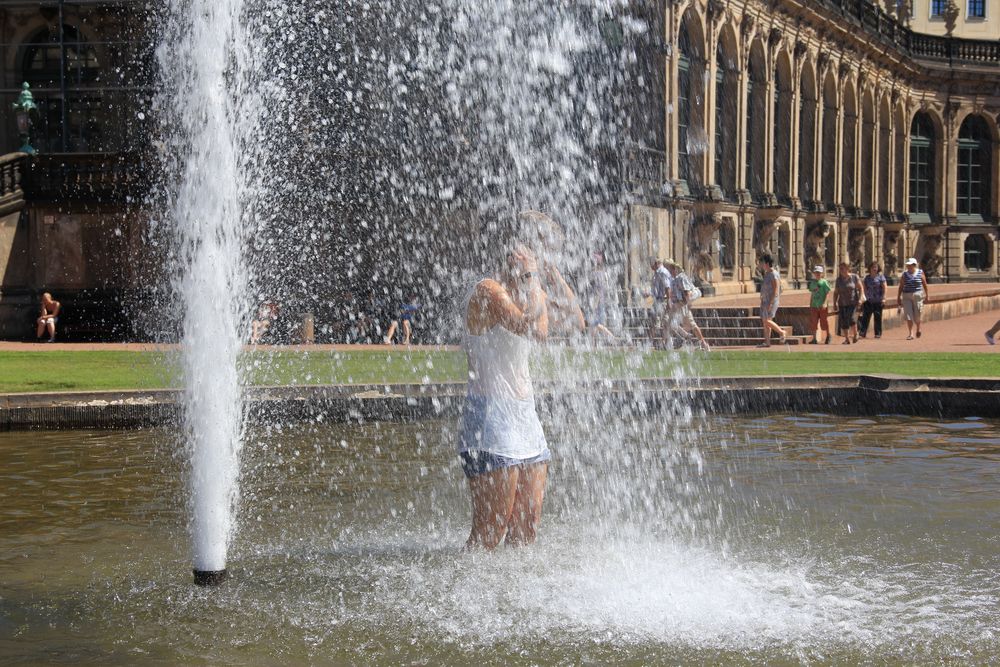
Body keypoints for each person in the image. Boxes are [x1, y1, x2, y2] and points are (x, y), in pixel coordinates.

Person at [458, 239, 582, 550]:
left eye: (529, 261)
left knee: (526, 530)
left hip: (525, 418)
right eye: (521, 262)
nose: (523, 263)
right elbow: (536, 331)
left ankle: (510, 596)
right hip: (490, 419)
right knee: (491, 531)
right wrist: (536, 280)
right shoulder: (489, 290)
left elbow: (576, 320)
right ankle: (469, 591)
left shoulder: (528, 294)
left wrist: (551, 269)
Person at [664, 259, 710, 351]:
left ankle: (703, 343)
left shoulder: (681, 277)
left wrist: (688, 304)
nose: (667, 270)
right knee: (668, 323)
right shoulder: (674, 279)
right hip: (677, 305)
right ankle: (675, 341)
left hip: (682, 305)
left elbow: (687, 293)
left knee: (690, 324)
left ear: (673, 269)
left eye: (668, 268)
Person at [585, 250, 616, 342]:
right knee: (593, 324)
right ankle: (592, 343)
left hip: (596, 300)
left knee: (594, 322)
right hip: (598, 300)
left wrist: (595, 302)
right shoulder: (602, 272)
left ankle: (611, 337)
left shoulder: (597, 273)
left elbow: (598, 289)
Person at [832, 262, 865, 345]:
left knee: (852, 319)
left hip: (853, 302)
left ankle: (855, 334)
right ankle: (847, 339)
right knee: (843, 321)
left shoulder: (854, 277)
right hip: (842, 303)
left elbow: (861, 288)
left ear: (848, 268)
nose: (841, 270)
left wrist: (860, 299)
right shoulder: (838, 280)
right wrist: (835, 302)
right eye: (840, 268)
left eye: (843, 268)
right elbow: (836, 292)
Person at [897, 257, 929, 340]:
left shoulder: (920, 272)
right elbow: (901, 286)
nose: (908, 266)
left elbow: (925, 284)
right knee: (908, 315)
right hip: (906, 295)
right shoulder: (905, 274)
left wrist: (927, 295)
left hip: (917, 295)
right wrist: (898, 297)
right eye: (908, 265)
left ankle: (918, 328)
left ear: (914, 265)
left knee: (917, 315)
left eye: (910, 265)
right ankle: (911, 333)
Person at [757, 253, 785, 347]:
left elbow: (776, 289)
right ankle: (767, 342)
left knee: (766, 321)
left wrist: (771, 302)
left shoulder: (773, 274)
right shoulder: (767, 273)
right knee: (766, 322)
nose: (761, 265)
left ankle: (781, 332)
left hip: (771, 301)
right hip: (765, 300)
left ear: (767, 263)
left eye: (762, 263)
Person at [644, 258, 672, 349]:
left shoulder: (662, 272)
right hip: (659, 300)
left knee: (656, 321)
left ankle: (649, 342)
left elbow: (667, 287)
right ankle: (666, 343)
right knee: (664, 322)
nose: (650, 267)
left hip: (661, 301)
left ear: (655, 264)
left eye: (651, 265)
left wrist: (669, 300)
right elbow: (658, 289)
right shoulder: (657, 273)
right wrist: (649, 294)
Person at [859, 262, 887, 339]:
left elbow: (884, 287)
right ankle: (862, 333)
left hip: (878, 300)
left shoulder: (881, 277)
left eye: (876, 267)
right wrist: (864, 297)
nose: (874, 269)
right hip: (869, 300)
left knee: (877, 317)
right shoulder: (867, 278)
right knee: (866, 317)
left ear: (878, 269)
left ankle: (878, 333)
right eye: (873, 267)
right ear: (870, 269)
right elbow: (864, 288)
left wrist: (884, 298)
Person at [806, 266, 831, 345]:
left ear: (822, 274)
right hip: (814, 305)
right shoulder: (812, 283)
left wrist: (825, 303)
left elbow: (827, 293)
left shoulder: (824, 282)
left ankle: (828, 335)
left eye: (819, 273)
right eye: (816, 272)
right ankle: (814, 338)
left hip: (822, 306)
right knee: (814, 322)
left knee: (824, 322)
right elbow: (812, 294)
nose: (817, 274)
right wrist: (810, 303)